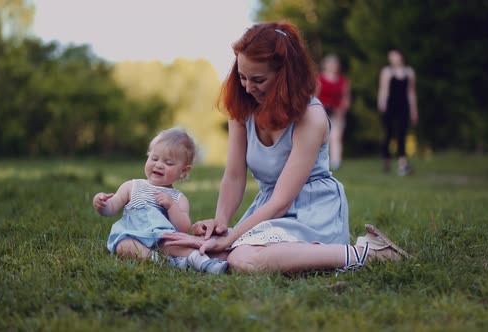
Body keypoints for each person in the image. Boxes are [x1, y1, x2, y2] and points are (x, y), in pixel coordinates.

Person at [162, 22, 411, 274]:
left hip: (313, 209)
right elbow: (235, 175)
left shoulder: (310, 117)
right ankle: (235, 252)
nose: (248, 87)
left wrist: (230, 238)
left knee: (242, 259)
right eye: (242, 77)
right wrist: (220, 225)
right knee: (175, 246)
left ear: (285, 76)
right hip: (268, 208)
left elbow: (282, 200)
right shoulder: (242, 106)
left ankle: (369, 253)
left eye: (258, 79)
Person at [92, 127, 228, 274]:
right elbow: (112, 207)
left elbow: (183, 227)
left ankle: (203, 262)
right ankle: (161, 261)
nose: (158, 165)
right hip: (134, 235)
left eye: (168, 163)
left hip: (163, 239)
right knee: (123, 246)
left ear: (183, 171)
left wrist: (171, 206)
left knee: (175, 244)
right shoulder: (132, 186)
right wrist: (102, 204)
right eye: (154, 158)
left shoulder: (178, 198)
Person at [377, 49, 419, 176]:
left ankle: (402, 164)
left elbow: (411, 92)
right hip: (390, 106)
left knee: (402, 134)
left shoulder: (409, 72)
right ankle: (387, 161)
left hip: (404, 106)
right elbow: (383, 89)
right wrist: (381, 103)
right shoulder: (387, 72)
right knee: (389, 134)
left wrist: (414, 110)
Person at [315, 54, 351, 170]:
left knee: (336, 137)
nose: (332, 66)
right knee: (319, 137)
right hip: (321, 111)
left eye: (335, 64)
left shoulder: (342, 80)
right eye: (330, 64)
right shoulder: (319, 78)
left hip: (336, 112)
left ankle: (336, 162)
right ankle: (318, 161)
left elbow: (346, 97)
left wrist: (342, 110)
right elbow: (314, 96)